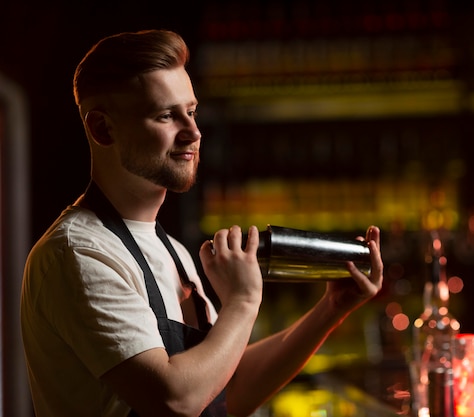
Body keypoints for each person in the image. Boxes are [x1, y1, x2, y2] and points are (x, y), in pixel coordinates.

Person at [20, 29, 383, 417]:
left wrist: (331, 309)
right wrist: (243, 301)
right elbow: (176, 400)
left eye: (191, 111)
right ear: (101, 129)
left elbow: (226, 391)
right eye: (165, 115)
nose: (193, 132)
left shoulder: (172, 251)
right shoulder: (78, 254)